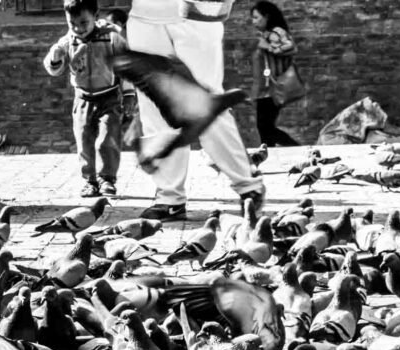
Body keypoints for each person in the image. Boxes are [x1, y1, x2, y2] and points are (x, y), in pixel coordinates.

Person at [128, 0, 265, 219]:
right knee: (154, 102)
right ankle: (170, 198)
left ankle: (247, 185)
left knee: (207, 101)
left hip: (196, 13)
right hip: (145, 15)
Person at [45, 0, 126, 198]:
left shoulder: (110, 37)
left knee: (108, 139)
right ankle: (90, 181)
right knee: (84, 141)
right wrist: (55, 57)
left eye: (84, 23)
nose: (78, 29)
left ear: (95, 17)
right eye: (72, 23)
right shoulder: (68, 41)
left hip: (109, 96)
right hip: (82, 98)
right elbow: (54, 69)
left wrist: (130, 94)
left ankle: (107, 179)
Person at [250, 1, 299, 147]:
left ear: (266, 17)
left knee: (265, 127)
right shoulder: (267, 34)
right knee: (265, 128)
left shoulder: (276, 32)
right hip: (264, 89)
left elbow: (291, 47)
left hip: (272, 88)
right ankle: (270, 155)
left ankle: (295, 147)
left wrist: (269, 47)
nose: (253, 22)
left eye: (256, 17)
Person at [102, 8, 142, 150]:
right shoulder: (115, 40)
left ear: (118, 23)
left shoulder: (127, 39)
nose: (107, 27)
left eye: (110, 23)